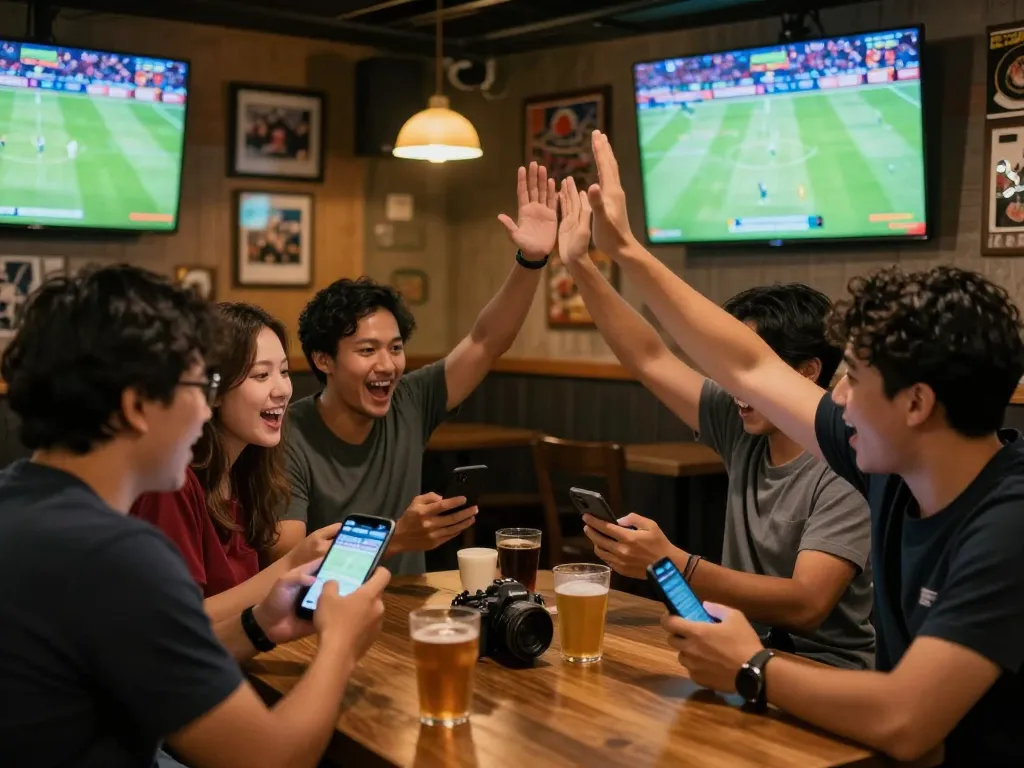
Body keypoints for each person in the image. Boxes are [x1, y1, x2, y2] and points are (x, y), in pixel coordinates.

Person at [582, 128, 1024, 764]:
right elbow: (750, 368)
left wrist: (750, 664)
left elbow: (906, 719)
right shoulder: (894, 463)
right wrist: (624, 251)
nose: (837, 398)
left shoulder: (1008, 524)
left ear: (917, 404)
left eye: (856, 380)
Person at [0, 265, 390, 768]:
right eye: (197, 386)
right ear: (137, 404)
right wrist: (341, 644)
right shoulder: (115, 557)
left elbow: (144, 666)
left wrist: (261, 624)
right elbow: (269, 760)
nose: (205, 411)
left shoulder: (17, 498)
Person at [556, 178, 873, 669]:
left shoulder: (850, 459)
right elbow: (648, 357)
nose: (732, 385)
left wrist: (673, 562)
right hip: (735, 653)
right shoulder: (740, 418)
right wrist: (579, 263)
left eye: (743, 369)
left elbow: (809, 604)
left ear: (808, 370)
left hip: (824, 670)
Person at [274, 161, 559, 574]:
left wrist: (531, 261)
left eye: (395, 347)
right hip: (323, 619)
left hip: (410, 611)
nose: (387, 365)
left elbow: (486, 341)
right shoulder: (289, 436)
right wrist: (395, 538)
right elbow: (284, 567)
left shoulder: (408, 400)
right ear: (323, 360)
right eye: (367, 350)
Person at [131, 302, 340, 624]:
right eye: (261, 375)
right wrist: (289, 566)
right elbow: (174, 624)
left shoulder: (247, 470)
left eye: (284, 371)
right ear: (212, 392)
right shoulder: (173, 483)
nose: (283, 389)